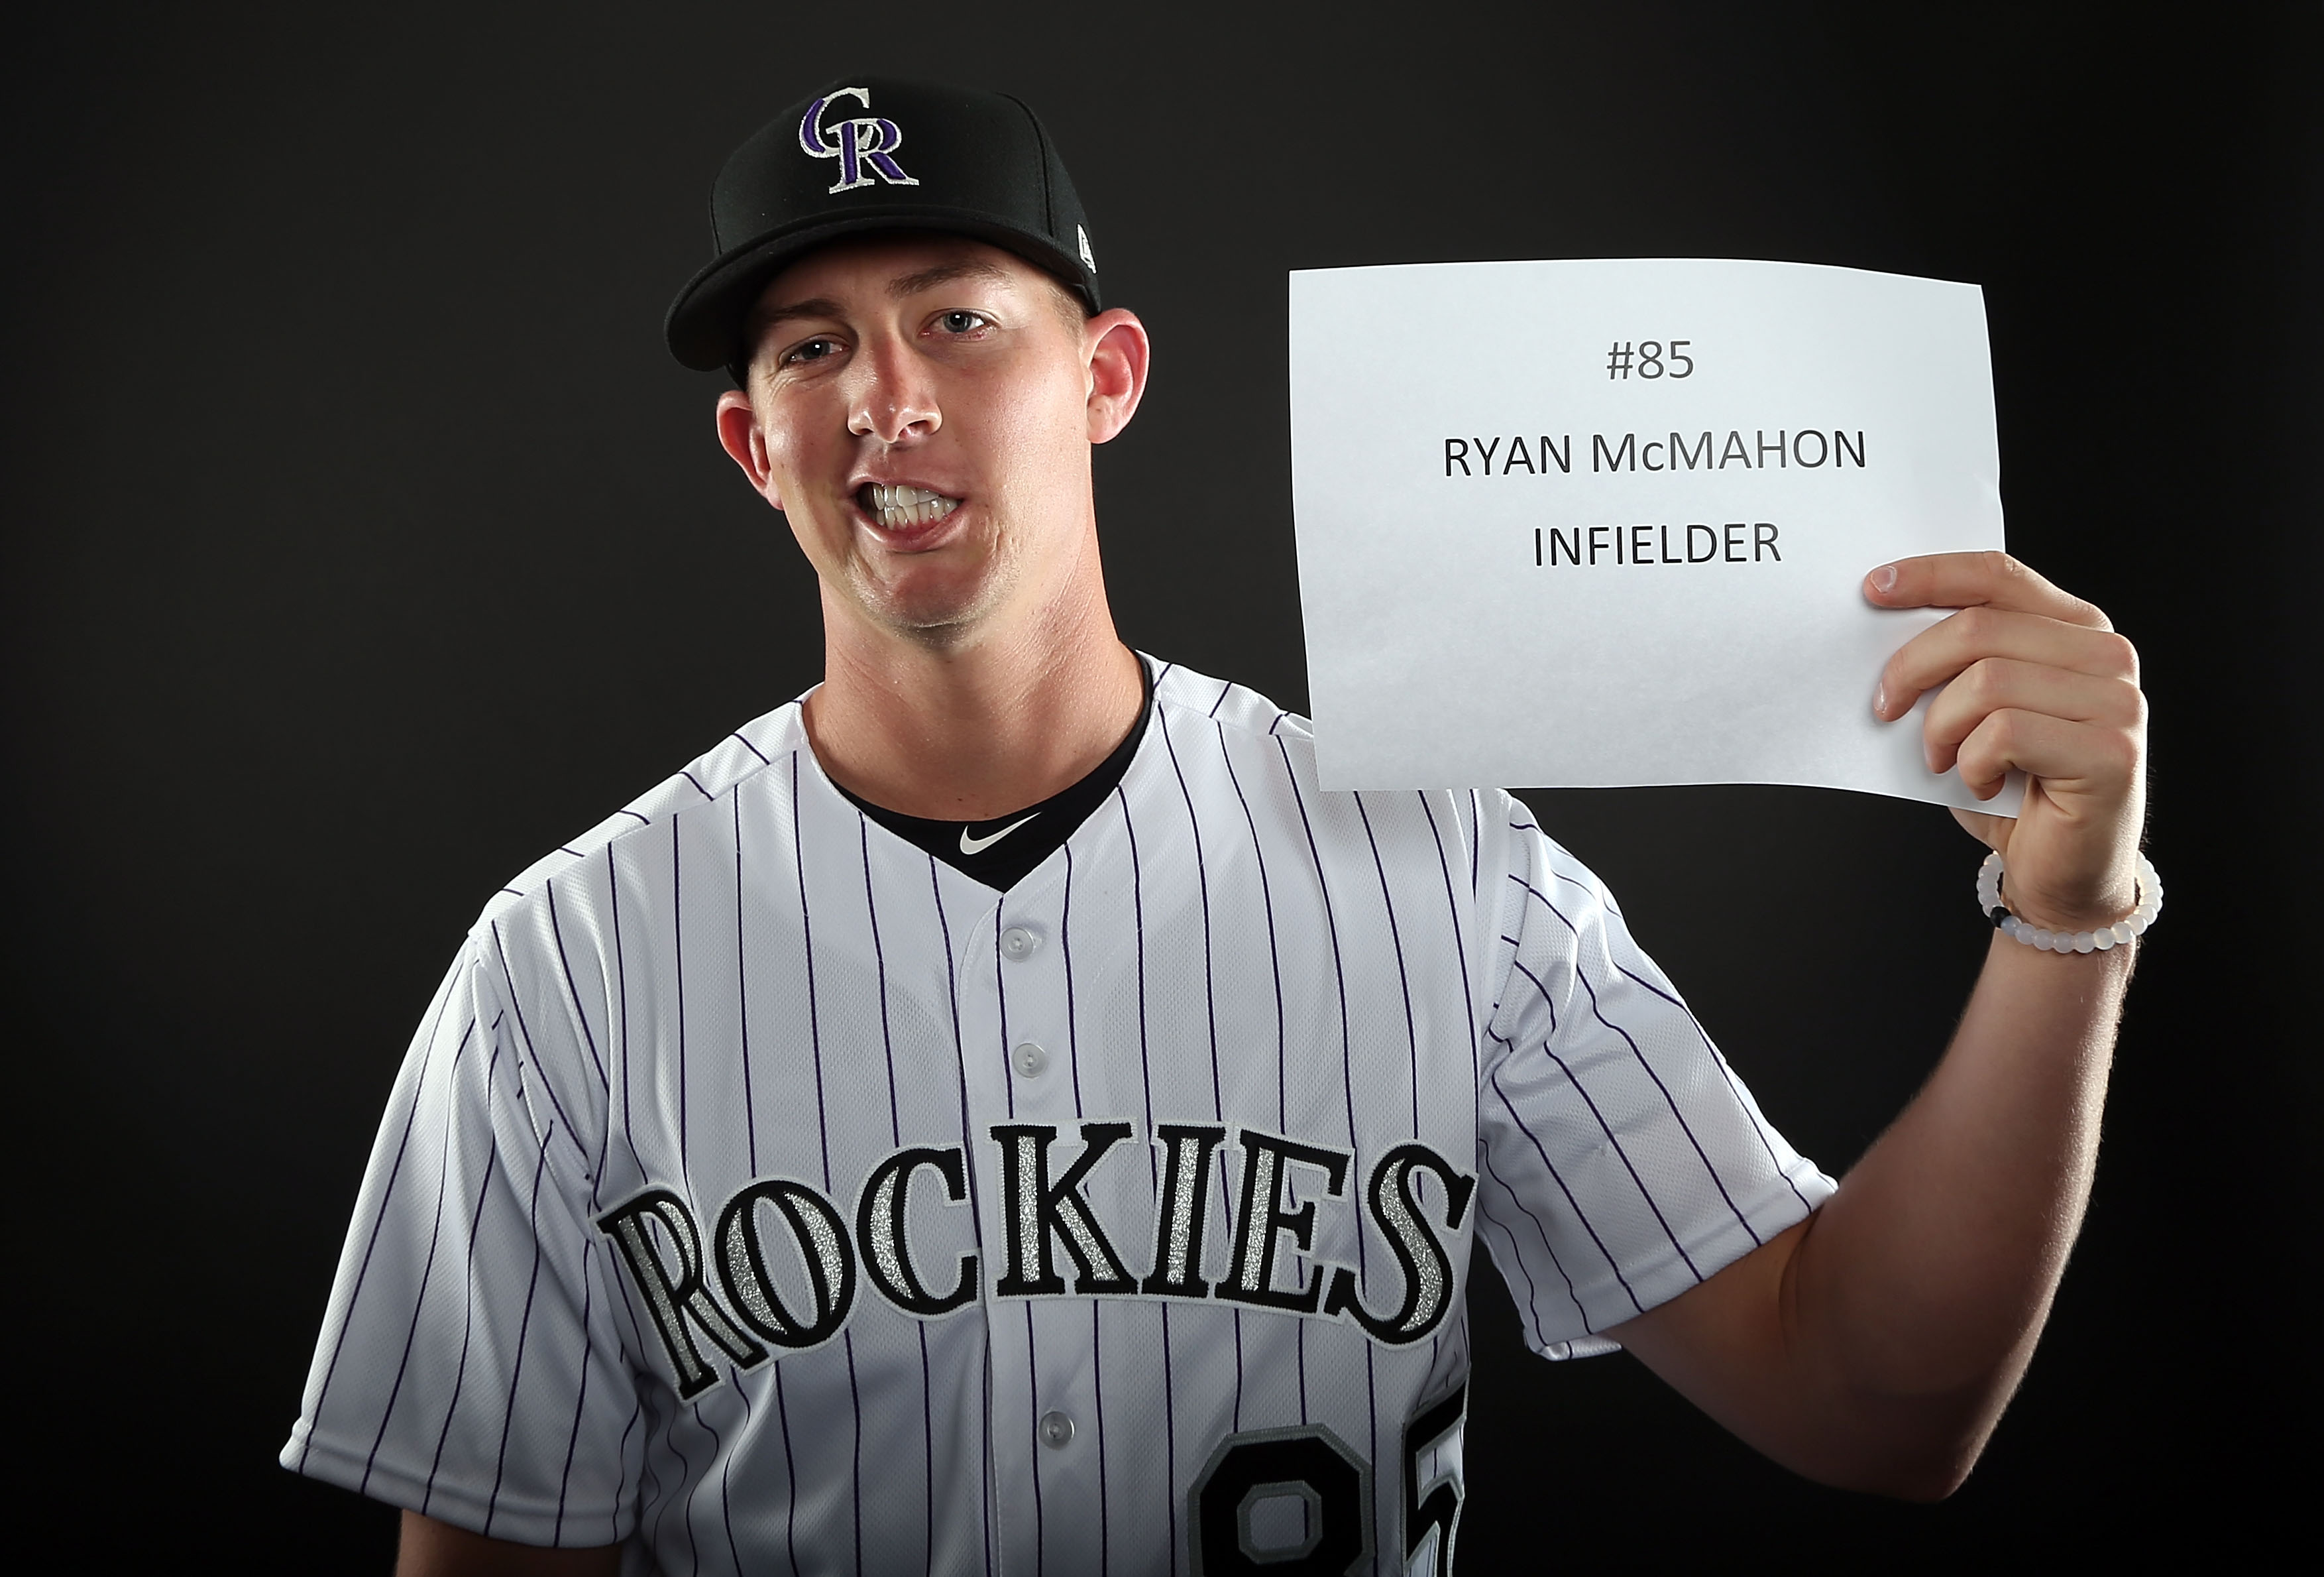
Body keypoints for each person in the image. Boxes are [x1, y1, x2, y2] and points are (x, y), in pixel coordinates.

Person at [282, 78, 2152, 1576]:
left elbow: (1870, 1400)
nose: (889, 400)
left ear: (1104, 377)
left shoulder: (1444, 867)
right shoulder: (565, 966)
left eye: (958, 317)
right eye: (808, 348)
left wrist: (2065, 909)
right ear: (753, 442)